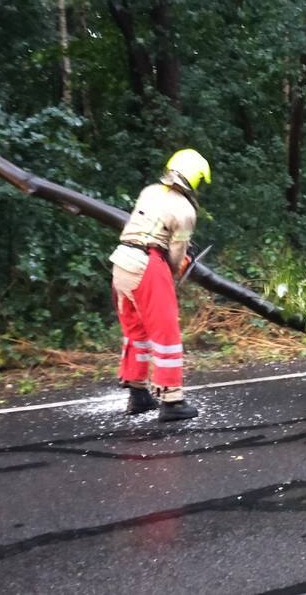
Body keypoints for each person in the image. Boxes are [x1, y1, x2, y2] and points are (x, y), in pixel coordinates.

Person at [108, 149, 210, 422]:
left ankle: (138, 393)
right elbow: (176, 254)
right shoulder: (186, 210)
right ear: (196, 179)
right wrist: (179, 268)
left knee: (135, 329)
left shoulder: (150, 191)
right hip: (147, 264)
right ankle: (171, 400)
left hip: (121, 261)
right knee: (166, 333)